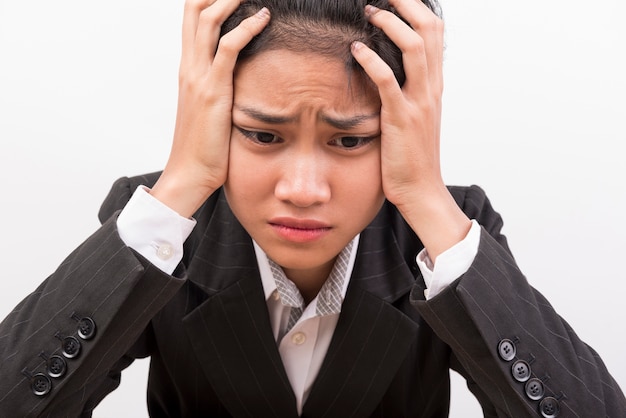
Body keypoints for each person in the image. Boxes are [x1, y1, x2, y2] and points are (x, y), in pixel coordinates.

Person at [0, 0, 624, 416]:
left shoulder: (444, 237)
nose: (303, 188)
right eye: (262, 135)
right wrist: (183, 179)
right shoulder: (161, 231)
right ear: (212, 121)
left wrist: (429, 201)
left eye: (351, 140)